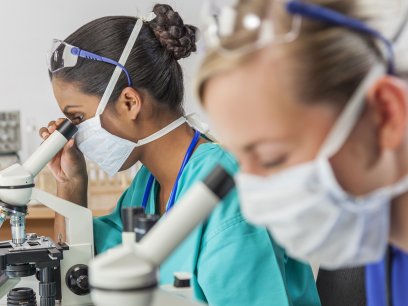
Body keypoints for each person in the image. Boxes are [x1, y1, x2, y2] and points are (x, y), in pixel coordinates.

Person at [39, 4, 320, 306]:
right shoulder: (148, 184)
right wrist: (70, 183)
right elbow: (82, 272)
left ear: (130, 103)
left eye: (78, 119)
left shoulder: (227, 191)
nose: (73, 135)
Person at [197, 0, 408, 305]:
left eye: (271, 158)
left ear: (385, 114)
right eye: (242, 160)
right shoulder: (381, 245)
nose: (253, 202)